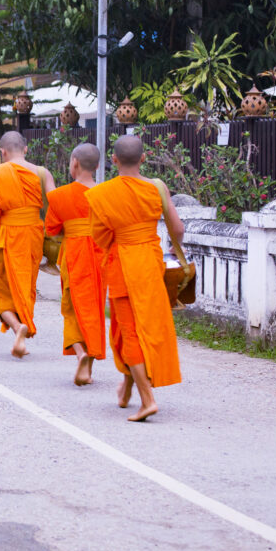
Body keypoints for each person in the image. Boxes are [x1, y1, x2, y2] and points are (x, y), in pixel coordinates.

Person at [85, 135, 183, 422]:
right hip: (151, 265)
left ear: (113, 160)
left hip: (123, 264)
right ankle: (127, 386)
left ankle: (148, 399)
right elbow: (177, 229)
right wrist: (178, 250)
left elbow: (100, 237)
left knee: (129, 331)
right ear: (143, 158)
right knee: (148, 325)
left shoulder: (102, 193)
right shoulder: (157, 187)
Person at [0, 131, 54, 359]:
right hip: (33, 235)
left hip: (7, 235)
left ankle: (17, 326)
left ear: (3, 152)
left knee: (1, 289)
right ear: (26, 149)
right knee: (25, 284)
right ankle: (24, 323)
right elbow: (55, 205)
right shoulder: (41, 173)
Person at [45, 143, 106, 386]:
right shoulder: (106, 194)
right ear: (98, 166)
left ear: (74, 163)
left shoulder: (60, 196)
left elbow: (51, 229)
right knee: (94, 308)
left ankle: (81, 353)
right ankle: (88, 368)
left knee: (72, 307)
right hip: (100, 255)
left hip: (74, 255)